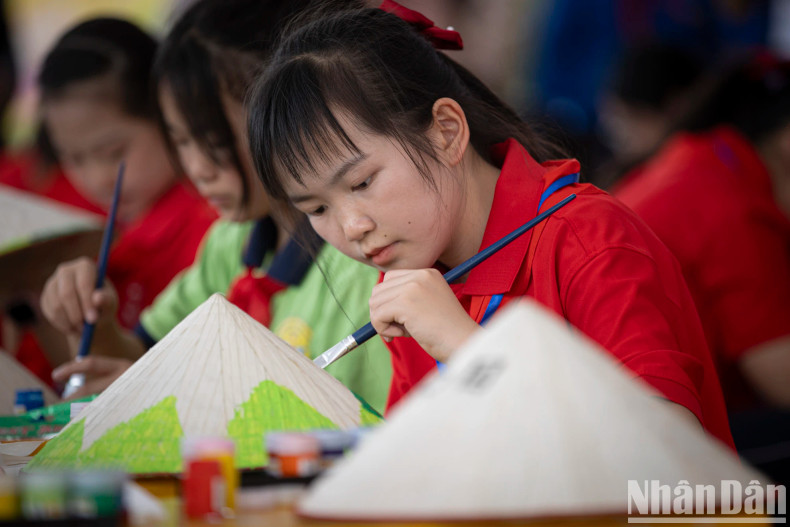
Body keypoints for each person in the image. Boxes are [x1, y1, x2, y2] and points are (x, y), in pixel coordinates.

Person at [247, 5, 734, 446]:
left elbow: (666, 455)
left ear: (445, 132)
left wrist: (466, 347)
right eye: (316, 209)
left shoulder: (588, 239)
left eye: (362, 182)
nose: (351, 227)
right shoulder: (415, 278)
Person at [42, 0, 392, 414]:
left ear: (286, 114)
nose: (197, 168)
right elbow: (141, 361)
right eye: (181, 141)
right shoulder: (229, 242)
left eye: (214, 141)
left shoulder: (363, 253)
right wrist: (98, 323)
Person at [23, 18, 217, 372]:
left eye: (113, 152)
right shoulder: (81, 230)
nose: (98, 179)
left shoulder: (215, 224)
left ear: (168, 115)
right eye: (74, 158)